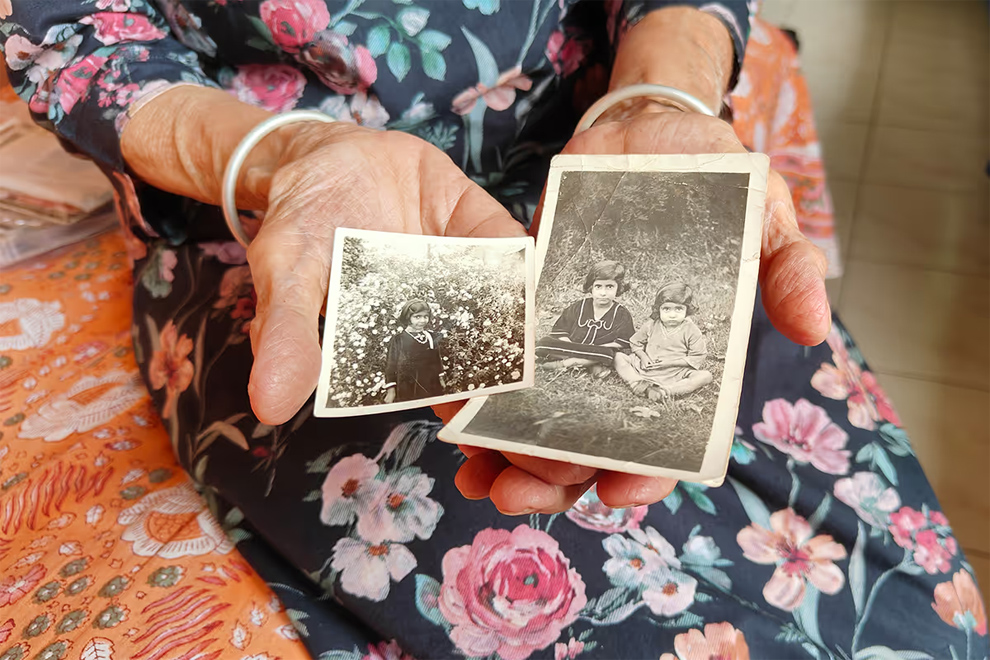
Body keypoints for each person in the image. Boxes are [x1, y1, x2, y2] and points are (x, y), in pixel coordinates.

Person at [3, 2, 984, 659]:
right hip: (305, 212)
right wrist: (283, 151)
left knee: (907, 616)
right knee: (546, 584)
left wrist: (660, 97)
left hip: (608, 162)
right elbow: (73, 29)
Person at [615, 281, 713, 401]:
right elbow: (636, 342)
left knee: (705, 376)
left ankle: (665, 391)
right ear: (658, 309)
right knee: (619, 357)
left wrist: (670, 363)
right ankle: (637, 382)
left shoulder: (691, 330)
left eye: (678, 309)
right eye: (666, 309)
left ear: (687, 310)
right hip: (646, 368)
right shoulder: (651, 325)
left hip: (675, 372)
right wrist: (643, 357)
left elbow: (698, 355)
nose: (672, 315)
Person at [535, 260, 635, 376]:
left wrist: (598, 348)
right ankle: (591, 365)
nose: (603, 293)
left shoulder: (621, 314)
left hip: (598, 351)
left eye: (609, 287)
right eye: (598, 286)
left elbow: (623, 341)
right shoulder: (578, 307)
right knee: (543, 343)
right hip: (571, 347)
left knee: (608, 354)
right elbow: (560, 331)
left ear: (618, 288)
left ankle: (562, 364)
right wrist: (572, 347)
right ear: (591, 288)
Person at [384, 299, 445, 404]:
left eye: (425, 317)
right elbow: (391, 366)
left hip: (430, 383)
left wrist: (441, 379)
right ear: (408, 318)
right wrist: (391, 391)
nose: (422, 320)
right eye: (417, 317)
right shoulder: (399, 340)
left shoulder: (430, 337)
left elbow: (436, 359)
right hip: (408, 385)